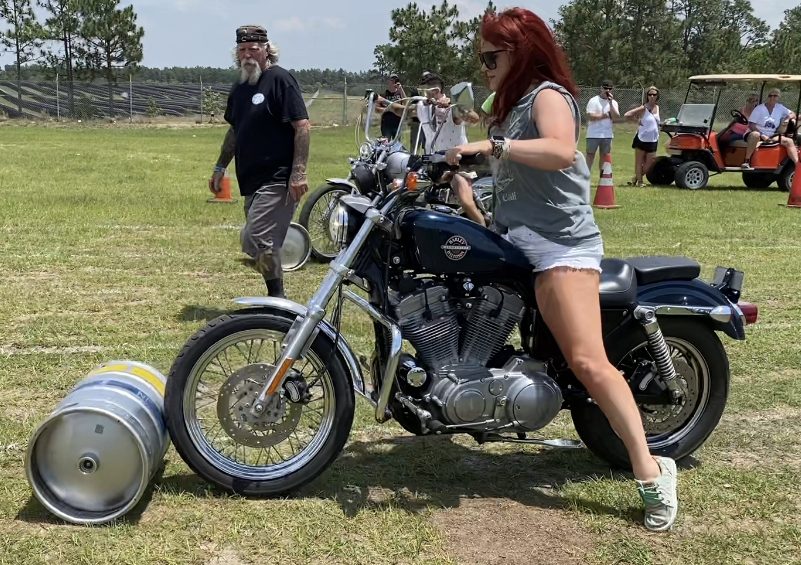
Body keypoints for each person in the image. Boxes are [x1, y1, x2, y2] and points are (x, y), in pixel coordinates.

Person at [445, 7, 678, 532]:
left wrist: (493, 144)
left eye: (490, 55)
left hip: (558, 246)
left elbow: (559, 150)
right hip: (512, 235)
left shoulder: (549, 96)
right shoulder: (504, 106)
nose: (484, 66)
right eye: (481, 56)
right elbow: (511, 165)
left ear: (520, 52)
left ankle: (650, 469)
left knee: (588, 361)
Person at [209, 24, 310, 298]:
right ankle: (277, 292)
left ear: (267, 50)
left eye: (254, 48)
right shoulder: (240, 86)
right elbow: (234, 131)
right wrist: (220, 167)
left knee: (257, 236)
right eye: (242, 49)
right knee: (259, 243)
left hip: (278, 177)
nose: (247, 54)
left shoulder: (280, 79)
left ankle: (278, 298)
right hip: (251, 179)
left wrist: (298, 172)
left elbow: (301, 126)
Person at [416, 72, 485, 225]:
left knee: (466, 201)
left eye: (428, 91)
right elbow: (402, 110)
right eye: (423, 91)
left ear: (437, 90)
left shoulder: (451, 107)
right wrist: (382, 102)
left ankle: (486, 230)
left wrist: (457, 107)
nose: (426, 95)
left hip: (457, 161)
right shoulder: (422, 107)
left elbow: (474, 118)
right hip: (433, 162)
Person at [741, 88, 798, 170]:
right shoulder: (759, 108)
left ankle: (797, 164)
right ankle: (746, 161)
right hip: (755, 132)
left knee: (789, 141)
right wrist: (762, 135)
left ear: (778, 97)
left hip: (771, 134)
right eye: (770, 95)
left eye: (775, 96)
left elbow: (793, 114)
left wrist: (787, 118)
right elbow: (751, 125)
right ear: (767, 97)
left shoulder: (780, 108)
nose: (772, 98)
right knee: (755, 135)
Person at [624, 86, 661, 187]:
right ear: (647, 96)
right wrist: (637, 121)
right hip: (642, 138)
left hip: (653, 138)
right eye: (650, 94)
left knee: (650, 162)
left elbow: (656, 122)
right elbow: (627, 115)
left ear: (657, 96)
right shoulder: (643, 108)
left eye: (654, 94)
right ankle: (640, 182)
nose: (652, 96)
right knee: (639, 161)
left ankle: (636, 177)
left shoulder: (657, 107)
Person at [584, 79, 620, 175]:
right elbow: (590, 116)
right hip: (593, 134)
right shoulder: (593, 100)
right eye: (605, 88)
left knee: (605, 156)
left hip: (607, 135)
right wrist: (605, 115)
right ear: (601, 88)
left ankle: (603, 177)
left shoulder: (614, 103)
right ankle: (585, 176)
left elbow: (616, 117)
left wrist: (611, 103)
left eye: (609, 89)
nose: (607, 91)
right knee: (590, 155)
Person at [375, 74, 406, 139]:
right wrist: (387, 109)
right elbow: (376, 109)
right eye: (391, 80)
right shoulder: (383, 95)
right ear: (388, 82)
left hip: (397, 124)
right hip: (386, 124)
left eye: (395, 81)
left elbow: (406, 103)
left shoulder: (400, 94)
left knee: (396, 146)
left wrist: (400, 89)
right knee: (386, 145)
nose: (393, 82)